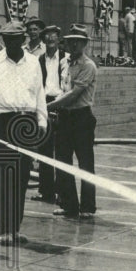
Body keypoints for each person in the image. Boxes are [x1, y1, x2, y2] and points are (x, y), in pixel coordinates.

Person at [0, 20, 48, 246]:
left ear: (23, 39)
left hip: (25, 122)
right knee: (1, 177)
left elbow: (40, 93)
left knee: (21, 177)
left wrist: (42, 121)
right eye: (6, 39)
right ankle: (3, 230)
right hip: (1, 122)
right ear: (2, 40)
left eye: (15, 39)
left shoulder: (34, 62)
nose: (11, 43)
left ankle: (15, 228)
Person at [47, 25, 98, 220]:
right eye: (71, 40)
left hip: (81, 117)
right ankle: (68, 205)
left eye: (78, 41)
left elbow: (74, 94)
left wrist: (49, 106)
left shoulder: (88, 66)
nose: (74, 44)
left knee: (85, 163)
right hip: (65, 117)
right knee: (62, 161)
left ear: (84, 44)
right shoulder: (64, 62)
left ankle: (87, 206)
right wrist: (56, 107)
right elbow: (62, 88)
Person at [32, 25, 67, 204]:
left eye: (54, 37)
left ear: (59, 40)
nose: (50, 40)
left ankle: (62, 193)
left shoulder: (66, 59)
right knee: (44, 150)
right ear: (44, 40)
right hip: (44, 102)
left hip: (61, 103)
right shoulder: (38, 60)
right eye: (47, 37)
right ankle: (45, 191)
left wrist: (58, 102)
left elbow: (67, 84)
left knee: (61, 150)